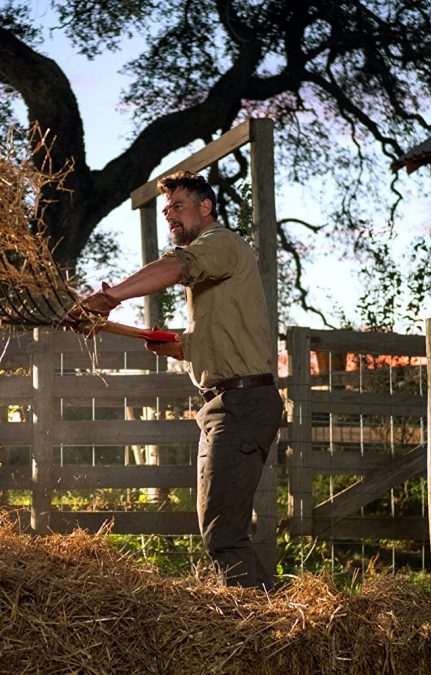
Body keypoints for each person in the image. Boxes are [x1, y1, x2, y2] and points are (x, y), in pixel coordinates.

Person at [75, 171, 283, 589]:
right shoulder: (217, 268)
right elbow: (218, 340)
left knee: (223, 535)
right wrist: (180, 345)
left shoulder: (220, 243)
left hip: (241, 404)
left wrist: (111, 296)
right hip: (224, 404)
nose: (169, 215)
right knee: (220, 530)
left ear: (205, 208)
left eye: (178, 206)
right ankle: (267, 617)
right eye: (166, 209)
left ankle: (271, 623)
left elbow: (177, 266)